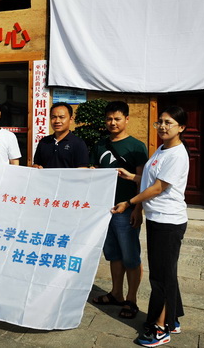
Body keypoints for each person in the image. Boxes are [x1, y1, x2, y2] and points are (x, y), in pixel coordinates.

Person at [113, 105, 190, 347]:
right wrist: (132, 176)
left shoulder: (177, 154)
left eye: (169, 123)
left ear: (181, 127)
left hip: (169, 221)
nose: (163, 127)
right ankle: (172, 319)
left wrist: (130, 202)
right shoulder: (162, 149)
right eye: (161, 122)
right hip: (158, 218)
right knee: (166, 272)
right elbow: (151, 180)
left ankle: (160, 328)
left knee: (160, 277)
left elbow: (158, 188)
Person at [90, 101, 148, 319]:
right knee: (113, 254)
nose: (112, 123)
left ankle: (131, 300)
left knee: (131, 256)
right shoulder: (100, 145)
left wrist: (137, 208)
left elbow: (142, 181)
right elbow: (93, 172)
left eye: (117, 118)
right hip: (105, 210)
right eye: (109, 119)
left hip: (126, 208)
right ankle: (116, 293)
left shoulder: (136, 147)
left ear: (127, 119)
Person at [32, 102, 89, 168]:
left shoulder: (78, 143)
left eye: (61, 117)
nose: (57, 121)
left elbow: (82, 169)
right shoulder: (44, 142)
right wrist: (36, 167)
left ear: (71, 119)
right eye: (53, 117)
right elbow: (36, 164)